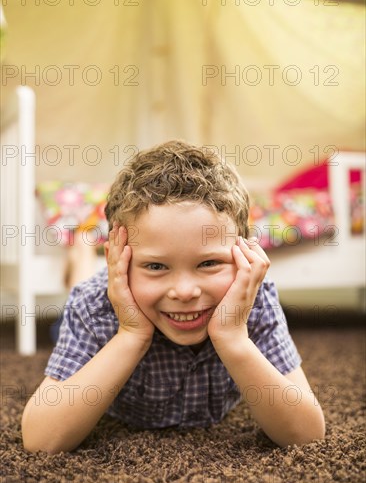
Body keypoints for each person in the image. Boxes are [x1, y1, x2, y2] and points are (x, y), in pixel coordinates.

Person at [22, 140, 325, 454]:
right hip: (97, 314)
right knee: (67, 310)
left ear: (243, 254)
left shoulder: (253, 297)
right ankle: (82, 256)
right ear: (119, 261)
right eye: (155, 266)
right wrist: (131, 335)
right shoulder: (93, 305)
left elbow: (307, 434)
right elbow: (41, 441)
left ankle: (87, 258)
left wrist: (233, 339)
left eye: (209, 263)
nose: (184, 291)